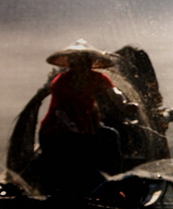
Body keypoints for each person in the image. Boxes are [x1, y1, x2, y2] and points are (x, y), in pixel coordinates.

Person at [38, 40, 136, 181]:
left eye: (85, 62)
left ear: (90, 64)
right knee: (74, 160)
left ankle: (114, 178)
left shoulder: (97, 78)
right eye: (78, 63)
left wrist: (124, 105)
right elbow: (58, 111)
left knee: (111, 135)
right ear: (72, 64)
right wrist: (70, 126)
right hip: (56, 131)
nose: (82, 66)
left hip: (84, 129)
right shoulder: (61, 81)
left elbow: (114, 93)